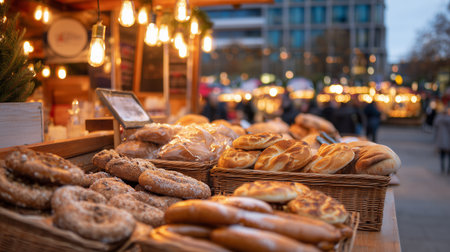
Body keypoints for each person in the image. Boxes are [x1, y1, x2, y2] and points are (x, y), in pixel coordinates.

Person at [433, 105, 450, 174]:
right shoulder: (448, 119)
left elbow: (435, 125)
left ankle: (442, 168)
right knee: (448, 156)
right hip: (448, 140)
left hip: (441, 140)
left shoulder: (439, 119)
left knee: (442, 155)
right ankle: (448, 169)